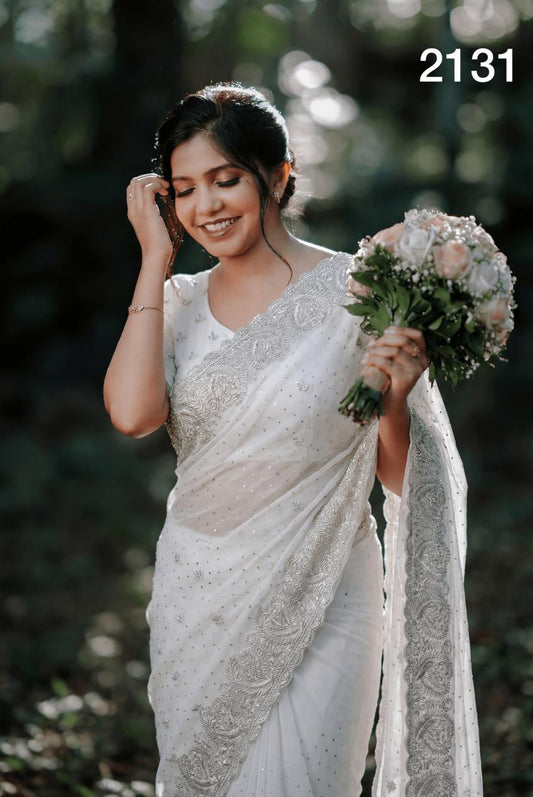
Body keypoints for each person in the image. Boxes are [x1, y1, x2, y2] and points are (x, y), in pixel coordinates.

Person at [103, 83, 482, 796]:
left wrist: (395, 400)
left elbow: (401, 477)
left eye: (226, 179)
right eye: (184, 189)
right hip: (199, 592)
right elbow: (131, 414)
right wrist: (154, 259)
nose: (206, 205)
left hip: (327, 587)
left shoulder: (360, 290)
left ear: (278, 175)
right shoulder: (176, 301)